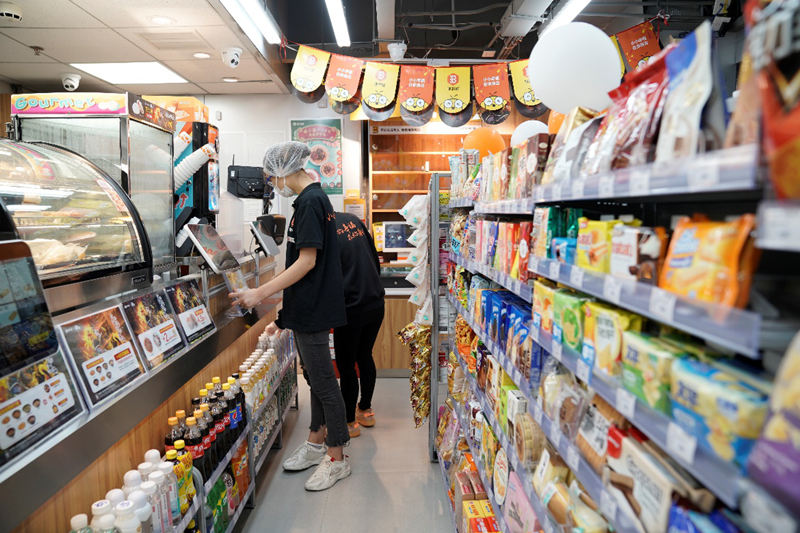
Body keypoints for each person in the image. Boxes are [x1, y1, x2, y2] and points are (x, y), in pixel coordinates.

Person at [229, 141, 350, 492]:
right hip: (307, 309)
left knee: (325, 384)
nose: (272, 184)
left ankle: (337, 459)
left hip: (313, 311)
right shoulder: (309, 200)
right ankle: (316, 442)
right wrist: (283, 314)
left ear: (285, 171)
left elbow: (307, 261)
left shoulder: (311, 202)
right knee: (314, 380)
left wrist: (259, 293)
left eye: (272, 177)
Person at [332, 212, 385, 438]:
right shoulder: (352, 220)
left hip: (351, 308)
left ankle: (350, 423)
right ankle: (366, 410)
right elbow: (375, 259)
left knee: (346, 365)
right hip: (375, 303)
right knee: (365, 355)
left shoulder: (324, 230)